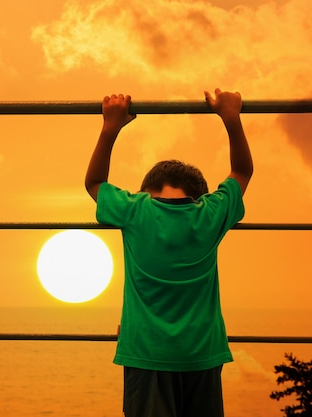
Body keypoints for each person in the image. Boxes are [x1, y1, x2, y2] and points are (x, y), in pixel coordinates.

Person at [84, 89, 253, 417]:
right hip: (201, 353)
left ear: (145, 190)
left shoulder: (134, 210)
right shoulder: (210, 213)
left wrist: (111, 126)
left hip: (145, 352)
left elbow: (94, 182)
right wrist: (231, 118)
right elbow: (242, 172)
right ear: (199, 195)